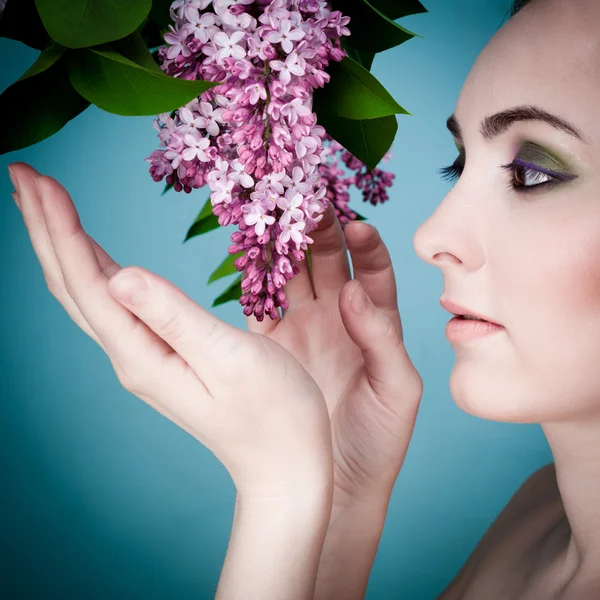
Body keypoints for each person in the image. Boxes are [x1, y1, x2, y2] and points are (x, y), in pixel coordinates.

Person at [6, 0, 600, 597]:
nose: (430, 237)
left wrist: (280, 491)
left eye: (533, 172)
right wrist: (341, 494)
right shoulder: (539, 519)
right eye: (460, 163)